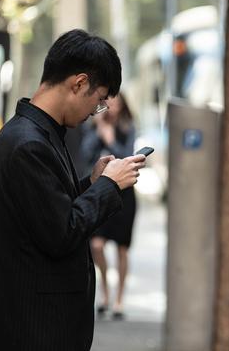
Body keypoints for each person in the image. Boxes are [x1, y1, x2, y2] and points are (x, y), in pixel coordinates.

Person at [0, 29, 146, 351]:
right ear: (78, 83)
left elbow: (47, 207)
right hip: (38, 329)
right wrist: (109, 186)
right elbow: (62, 232)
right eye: (99, 100)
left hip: (42, 325)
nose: (96, 110)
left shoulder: (37, 133)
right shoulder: (29, 144)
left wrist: (91, 183)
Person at [81, 92, 137, 320]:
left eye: (117, 102)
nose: (112, 106)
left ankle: (119, 298)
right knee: (96, 245)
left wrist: (111, 139)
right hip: (101, 191)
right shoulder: (93, 125)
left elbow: (129, 158)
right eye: (108, 101)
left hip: (124, 194)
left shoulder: (127, 126)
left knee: (122, 248)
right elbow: (85, 155)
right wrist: (99, 132)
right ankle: (104, 290)